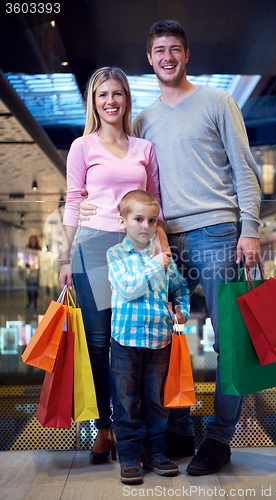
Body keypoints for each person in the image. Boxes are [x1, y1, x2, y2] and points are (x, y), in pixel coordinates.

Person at [79, 20, 261, 476]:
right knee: (164, 337)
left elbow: (245, 168)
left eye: (175, 48)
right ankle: (177, 430)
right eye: (159, 49)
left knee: (229, 343)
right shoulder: (143, 120)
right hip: (159, 239)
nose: (167, 56)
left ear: (186, 54)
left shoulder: (218, 101)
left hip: (217, 232)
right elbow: (133, 182)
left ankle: (219, 439)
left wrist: (250, 228)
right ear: (149, 58)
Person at [59, 66, 167, 465]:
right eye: (102, 95)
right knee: (101, 343)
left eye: (117, 94)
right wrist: (64, 256)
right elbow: (73, 201)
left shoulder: (144, 148)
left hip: (138, 251)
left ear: (126, 100)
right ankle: (105, 430)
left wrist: (162, 251)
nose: (110, 102)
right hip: (94, 249)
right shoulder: (82, 146)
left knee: (133, 343)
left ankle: (130, 430)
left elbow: (156, 203)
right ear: (94, 101)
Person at [107, 190, 190, 485]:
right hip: (126, 341)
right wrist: (157, 262)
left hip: (160, 341)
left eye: (151, 220)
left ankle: (155, 452)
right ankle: (129, 456)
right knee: (126, 401)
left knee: (156, 401)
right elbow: (128, 288)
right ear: (123, 221)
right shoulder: (116, 255)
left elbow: (180, 288)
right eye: (138, 219)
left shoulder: (166, 260)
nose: (145, 225)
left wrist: (182, 310)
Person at [25, 235, 41, 309]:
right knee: (28, 287)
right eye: (32, 240)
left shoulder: (39, 249)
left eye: (34, 240)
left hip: (36, 270)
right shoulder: (27, 248)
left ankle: (35, 302)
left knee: (35, 287)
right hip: (29, 270)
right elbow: (25, 258)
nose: (33, 241)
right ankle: (29, 301)